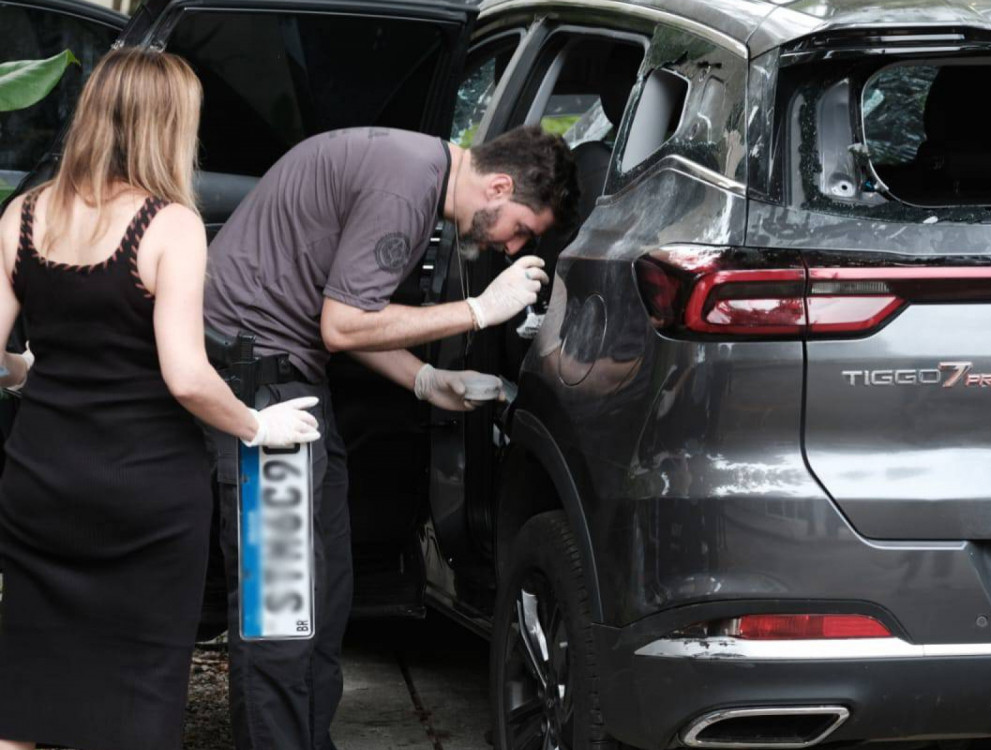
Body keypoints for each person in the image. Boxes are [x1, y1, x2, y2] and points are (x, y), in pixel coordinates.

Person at [203, 124, 579, 749]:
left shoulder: (414, 174)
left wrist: (428, 379)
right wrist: (480, 311)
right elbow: (345, 325)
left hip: (287, 380)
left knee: (323, 592)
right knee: (280, 607)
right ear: (499, 185)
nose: (512, 248)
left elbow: (354, 315)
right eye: (521, 227)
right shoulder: (406, 186)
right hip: (257, 387)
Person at [0, 48, 320, 750]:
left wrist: (27, 371)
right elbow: (185, 375)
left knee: (24, 696)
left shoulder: (23, 215)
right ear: (169, 124)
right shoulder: (169, 224)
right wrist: (253, 426)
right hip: (142, 496)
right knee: (139, 695)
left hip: (40, 482)